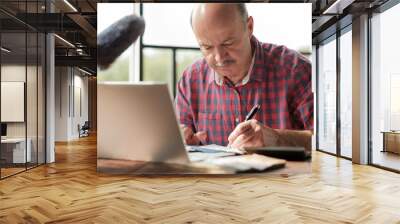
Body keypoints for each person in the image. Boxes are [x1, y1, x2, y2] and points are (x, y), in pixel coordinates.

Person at [175, 3, 313, 151]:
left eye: (228, 43)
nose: (219, 57)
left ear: (249, 27)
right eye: (207, 47)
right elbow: (178, 138)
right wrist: (180, 140)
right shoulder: (191, 80)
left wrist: (276, 138)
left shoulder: (296, 71)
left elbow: (328, 144)